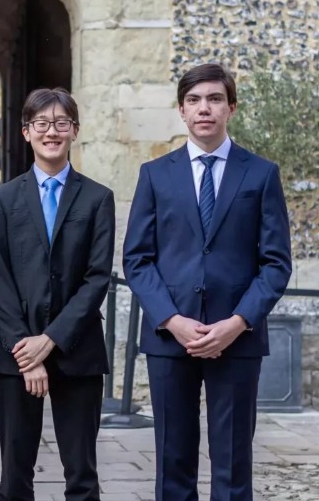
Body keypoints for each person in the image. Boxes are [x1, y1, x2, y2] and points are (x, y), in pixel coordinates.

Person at [123, 63, 292, 500]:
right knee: (172, 461)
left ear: (231, 108)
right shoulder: (155, 174)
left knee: (233, 464)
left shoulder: (261, 174)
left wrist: (237, 323)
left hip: (237, 339)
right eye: (194, 100)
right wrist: (171, 320)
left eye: (215, 99)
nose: (205, 109)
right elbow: (137, 259)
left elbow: (276, 263)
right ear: (181, 110)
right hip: (169, 338)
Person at [0, 88, 115, 501]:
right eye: (41, 123)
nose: (51, 131)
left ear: (75, 130)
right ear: (26, 131)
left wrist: (52, 338)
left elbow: (97, 278)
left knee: (82, 473)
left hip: (78, 349)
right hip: (15, 351)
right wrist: (27, 350)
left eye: (61, 123)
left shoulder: (98, 198)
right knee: (15, 475)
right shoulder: (3, 198)